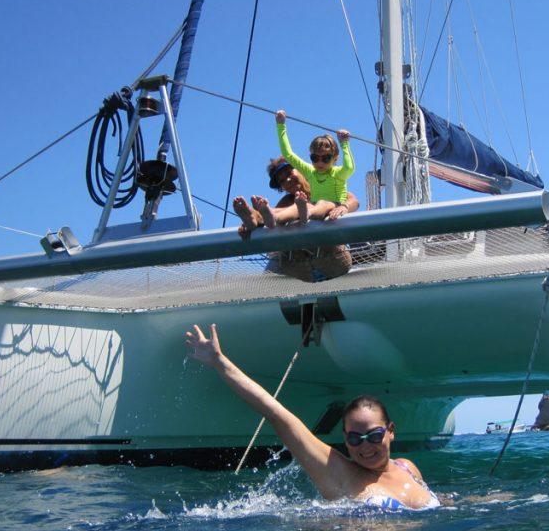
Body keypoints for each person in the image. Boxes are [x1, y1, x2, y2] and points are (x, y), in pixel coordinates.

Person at [184, 323, 440, 510]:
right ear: (345, 438)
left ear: (390, 431)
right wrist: (219, 362)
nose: (365, 446)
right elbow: (276, 414)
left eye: (373, 435)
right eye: (355, 438)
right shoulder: (339, 473)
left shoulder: (407, 468)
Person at [234, 158, 358, 281]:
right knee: (277, 215)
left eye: (289, 173)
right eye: (282, 181)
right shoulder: (287, 201)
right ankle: (253, 217)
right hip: (299, 267)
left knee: (312, 205)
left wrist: (344, 206)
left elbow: (354, 200)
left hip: (331, 258)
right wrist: (250, 224)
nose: (287, 180)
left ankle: (264, 216)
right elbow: (271, 222)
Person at [275, 109, 354, 211]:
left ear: (335, 158)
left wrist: (344, 144)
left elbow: (349, 167)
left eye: (326, 158)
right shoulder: (311, 171)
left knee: (320, 204)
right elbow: (288, 155)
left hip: (334, 208)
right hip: (314, 209)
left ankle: (306, 212)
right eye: (315, 158)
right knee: (299, 208)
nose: (319, 162)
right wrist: (280, 125)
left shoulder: (338, 174)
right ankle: (269, 215)